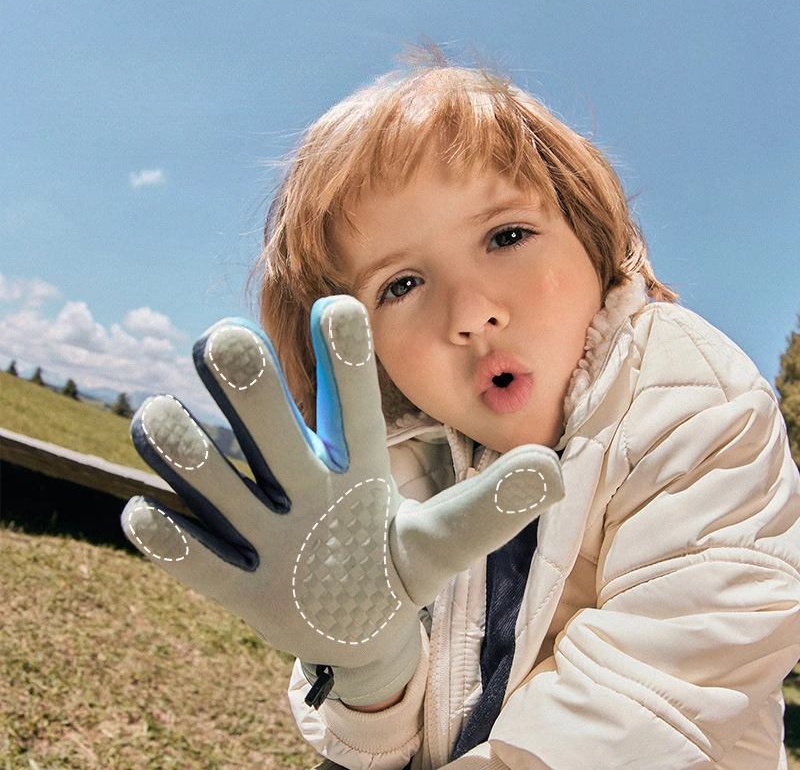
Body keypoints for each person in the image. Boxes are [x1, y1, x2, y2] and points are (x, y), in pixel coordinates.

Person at [123, 49, 800, 770]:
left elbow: (652, 702)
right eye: (403, 283)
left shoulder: (694, 404)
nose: (472, 313)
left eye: (506, 236)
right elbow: (376, 746)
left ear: (591, 236)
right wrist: (372, 676)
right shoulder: (395, 467)